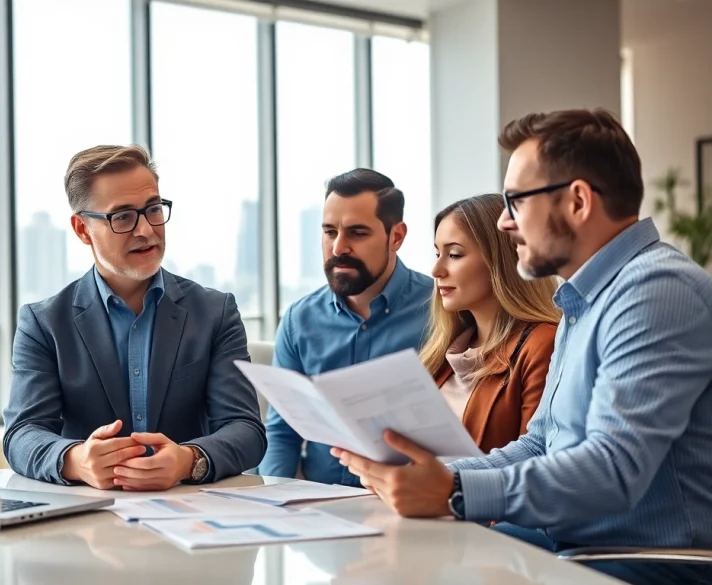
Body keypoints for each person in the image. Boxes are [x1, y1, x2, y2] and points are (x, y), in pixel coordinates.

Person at [331, 109, 712, 585]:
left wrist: (453, 488)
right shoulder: (584, 299)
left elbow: (614, 469)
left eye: (516, 202)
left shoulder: (655, 290)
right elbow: (539, 443)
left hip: (641, 563)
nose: (506, 223)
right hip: (572, 548)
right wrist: (424, 474)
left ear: (577, 201)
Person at [2, 144, 266, 491]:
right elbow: (22, 434)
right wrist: (76, 460)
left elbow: (246, 429)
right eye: (123, 216)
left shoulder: (215, 312)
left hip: (191, 517)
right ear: (82, 229)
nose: (146, 230)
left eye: (153, 209)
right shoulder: (44, 323)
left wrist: (188, 459)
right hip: (89, 522)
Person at [258, 169, 433, 486]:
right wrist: (274, 502)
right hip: (321, 508)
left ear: (396, 236)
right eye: (329, 232)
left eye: (358, 233)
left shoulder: (442, 312)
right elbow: (283, 432)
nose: (339, 247)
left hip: (411, 505)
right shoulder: (300, 319)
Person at [425, 193, 559, 452]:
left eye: (454, 254)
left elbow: (535, 460)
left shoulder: (542, 345)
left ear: (500, 261)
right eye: (437, 253)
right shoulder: (443, 355)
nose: (436, 270)